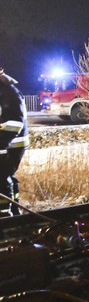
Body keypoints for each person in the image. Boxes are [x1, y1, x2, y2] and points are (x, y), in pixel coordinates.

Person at [0, 68, 29, 216]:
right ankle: (15, 211)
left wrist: (1, 144)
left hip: (12, 144)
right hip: (7, 142)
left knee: (1, 177)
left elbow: (14, 124)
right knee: (7, 176)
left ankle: (4, 216)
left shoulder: (9, 92)